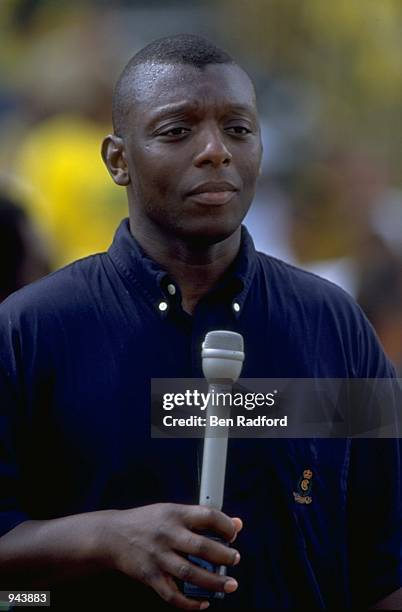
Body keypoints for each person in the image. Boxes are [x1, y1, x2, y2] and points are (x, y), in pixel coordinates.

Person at [0, 35, 400, 611]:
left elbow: (384, 563)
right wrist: (106, 539)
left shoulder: (335, 326)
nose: (216, 151)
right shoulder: (31, 331)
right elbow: (12, 583)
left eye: (238, 129)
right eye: (177, 131)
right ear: (117, 160)